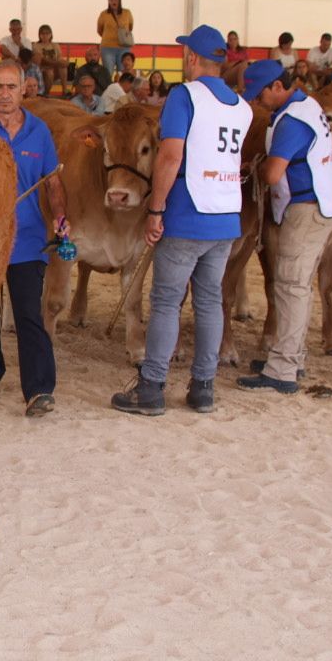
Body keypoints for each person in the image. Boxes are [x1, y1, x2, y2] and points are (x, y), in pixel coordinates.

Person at [112, 24, 250, 416]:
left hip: (189, 213)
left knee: (167, 301)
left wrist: (155, 208)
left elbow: (171, 156)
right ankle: (203, 387)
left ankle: (152, 387)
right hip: (226, 214)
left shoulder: (184, 96)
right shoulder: (242, 107)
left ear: (191, 58)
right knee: (209, 302)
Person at [236, 61, 332, 395]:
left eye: (260, 94)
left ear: (277, 87)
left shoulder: (292, 122)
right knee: (295, 285)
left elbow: (271, 175)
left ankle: (282, 369)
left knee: (291, 284)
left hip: (306, 208)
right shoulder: (307, 106)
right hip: (317, 204)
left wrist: (255, 166)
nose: (258, 102)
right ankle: (291, 356)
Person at [0, 61, 69, 417]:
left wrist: (60, 218)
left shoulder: (40, 132)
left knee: (29, 314)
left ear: (24, 89)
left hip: (27, 238)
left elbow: (53, 181)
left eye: (12, 87)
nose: (5, 94)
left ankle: (39, 389)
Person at [97, 0, 133, 75]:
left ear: (119, 0)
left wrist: (122, 37)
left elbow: (130, 27)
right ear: (108, 1)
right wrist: (108, 36)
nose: (113, 1)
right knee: (108, 72)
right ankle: (109, 88)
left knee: (123, 72)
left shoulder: (127, 12)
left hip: (124, 47)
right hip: (107, 48)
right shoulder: (104, 14)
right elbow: (99, 30)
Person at [31, 25, 63, 95]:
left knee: (63, 67)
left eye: (47, 33)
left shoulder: (55, 45)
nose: (45, 35)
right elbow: (42, 59)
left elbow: (60, 57)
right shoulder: (35, 46)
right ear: (39, 35)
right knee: (49, 72)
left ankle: (65, 91)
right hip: (42, 70)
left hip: (54, 68)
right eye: (42, 33)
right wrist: (56, 63)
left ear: (51, 34)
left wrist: (61, 62)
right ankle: (46, 93)